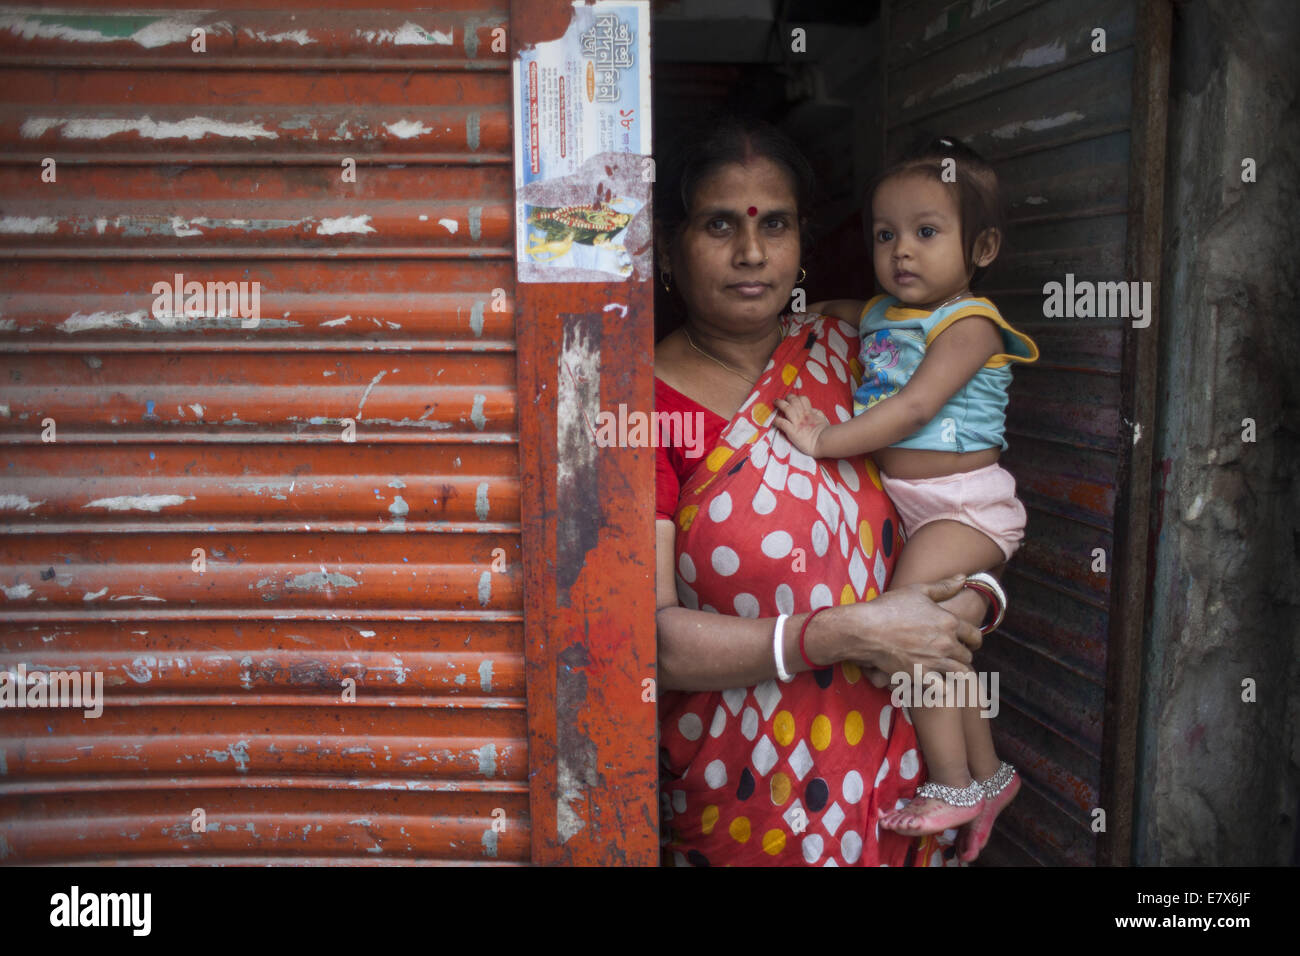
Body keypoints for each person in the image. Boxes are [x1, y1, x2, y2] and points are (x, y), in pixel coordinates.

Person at [654, 116, 1003, 866]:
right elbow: (652, 644)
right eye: (720, 224)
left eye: (774, 225)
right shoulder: (643, 409)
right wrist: (846, 634)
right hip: (750, 800)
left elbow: (962, 502)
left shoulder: (864, 359)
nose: (752, 253)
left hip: (901, 789)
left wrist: (972, 598)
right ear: (664, 250)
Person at [772, 137, 1038, 849]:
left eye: (926, 233)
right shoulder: (887, 310)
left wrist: (827, 440)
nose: (902, 252)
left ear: (980, 246)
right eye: (886, 235)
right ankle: (989, 779)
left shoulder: (972, 324)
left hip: (964, 505)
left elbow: (917, 407)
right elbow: (857, 313)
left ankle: (949, 784)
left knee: (913, 628)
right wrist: (817, 309)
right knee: (948, 645)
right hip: (923, 509)